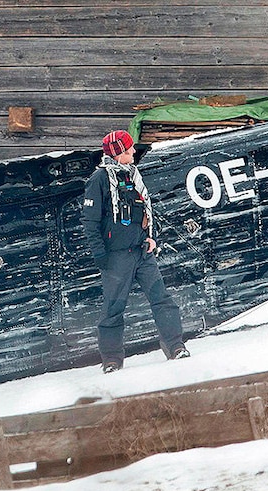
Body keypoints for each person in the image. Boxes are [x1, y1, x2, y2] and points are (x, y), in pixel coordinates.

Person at [81, 130, 189, 373]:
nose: (133, 152)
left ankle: (175, 346)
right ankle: (111, 360)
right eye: (128, 149)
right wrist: (100, 254)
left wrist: (151, 238)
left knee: (162, 300)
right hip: (116, 256)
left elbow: (145, 211)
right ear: (118, 153)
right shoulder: (99, 180)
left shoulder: (133, 175)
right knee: (113, 308)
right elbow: (90, 222)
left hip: (142, 252)